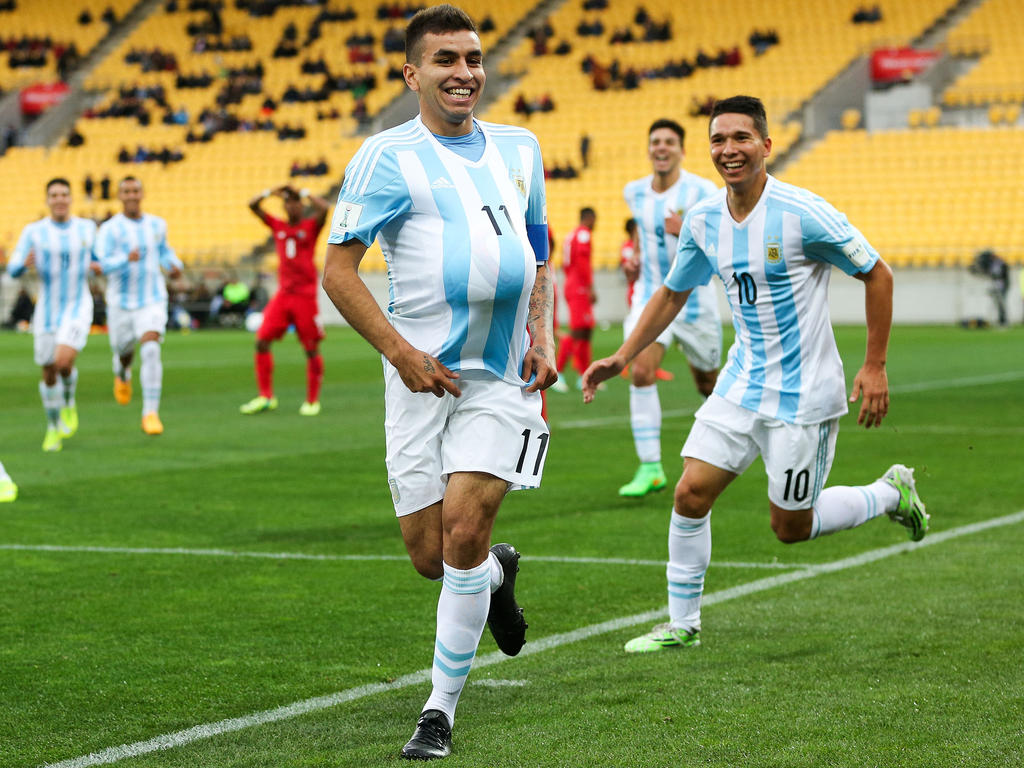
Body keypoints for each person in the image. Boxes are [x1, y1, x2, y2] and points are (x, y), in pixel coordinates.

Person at [583, 95, 929, 653]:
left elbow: (877, 274)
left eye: (741, 138)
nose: (728, 150)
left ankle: (889, 494)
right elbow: (674, 292)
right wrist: (624, 355)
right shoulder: (703, 220)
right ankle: (682, 623)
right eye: (718, 140)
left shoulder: (802, 212)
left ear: (766, 145)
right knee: (690, 494)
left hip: (802, 397)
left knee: (789, 528)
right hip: (740, 384)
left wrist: (875, 364)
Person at [321, 5, 556, 760]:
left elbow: (539, 255)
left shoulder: (522, 148)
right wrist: (398, 352)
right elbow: (337, 271)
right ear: (411, 74)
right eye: (447, 60)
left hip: (503, 376)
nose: (465, 73)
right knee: (431, 554)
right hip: (421, 377)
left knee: (459, 531)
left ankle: (437, 712)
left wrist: (545, 334)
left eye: (474, 58)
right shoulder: (386, 157)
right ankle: (496, 574)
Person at [618, 118, 722, 497]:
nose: (661, 148)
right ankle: (651, 467)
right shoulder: (635, 193)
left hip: (696, 302)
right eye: (656, 142)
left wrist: (688, 230)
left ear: (681, 150)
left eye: (669, 143)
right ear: (649, 149)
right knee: (641, 371)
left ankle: (726, 445)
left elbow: (721, 246)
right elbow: (646, 240)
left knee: (708, 384)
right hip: (652, 296)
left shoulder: (704, 191)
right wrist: (635, 261)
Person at [7, 178, 99, 451]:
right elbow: (13, 266)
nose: (59, 199)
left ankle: (69, 402)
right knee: (48, 371)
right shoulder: (34, 232)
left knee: (62, 360)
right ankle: (53, 426)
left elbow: (102, 256)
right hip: (46, 309)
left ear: (71, 199)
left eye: (64, 194)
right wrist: (21, 265)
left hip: (77, 304)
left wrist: (101, 264)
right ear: (47, 200)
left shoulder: (86, 228)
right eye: (54, 195)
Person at [96, 176, 183, 435]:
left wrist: (174, 265)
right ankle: (122, 373)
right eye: (126, 191)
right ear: (119, 195)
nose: (132, 195)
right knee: (124, 352)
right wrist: (125, 259)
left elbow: (164, 251)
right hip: (120, 303)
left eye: (135, 190)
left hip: (152, 298)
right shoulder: (110, 229)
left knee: (151, 347)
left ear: (142, 193)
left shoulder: (157, 225)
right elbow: (100, 264)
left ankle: (150, 413)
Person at [240, 185, 330, 415]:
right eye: (288, 202)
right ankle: (266, 396)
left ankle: (312, 400)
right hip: (283, 294)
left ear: (301, 205)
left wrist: (304, 192)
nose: (292, 206)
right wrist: (270, 191)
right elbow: (252, 205)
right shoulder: (278, 226)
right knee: (261, 340)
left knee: (310, 348)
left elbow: (324, 208)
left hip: (304, 296)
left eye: (296, 202)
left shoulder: (310, 227)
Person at [551, 207, 596, 392]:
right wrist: (589, 285)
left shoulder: (572, 235)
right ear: (589, 218)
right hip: (579, 286)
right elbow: (582, 262)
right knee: (577, 332)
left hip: (573, 283)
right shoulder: (583, 234)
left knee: (586, 330)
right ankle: (558, 372)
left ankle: (584, 375)